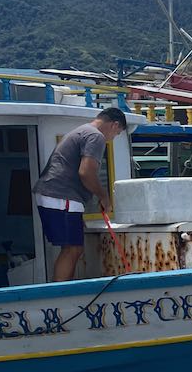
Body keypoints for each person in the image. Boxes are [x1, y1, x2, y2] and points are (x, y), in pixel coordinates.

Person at [33, 107, 126, 282]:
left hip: (53, 194)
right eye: (117, 133)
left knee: (72, 247)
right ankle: (61, 292)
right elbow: (86, 172)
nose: (112, 138)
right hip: (62, 195)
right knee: (72, 248)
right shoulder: (96, 136)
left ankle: (63, 289)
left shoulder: (82, 131)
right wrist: (104, 196)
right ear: (114, 125)